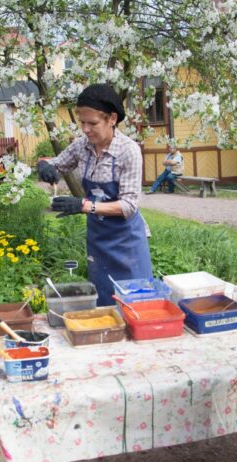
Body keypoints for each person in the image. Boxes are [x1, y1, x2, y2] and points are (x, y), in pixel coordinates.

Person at [37, 83, 153, 306]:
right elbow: (57, 165)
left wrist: (85, 206)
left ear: (112, 119)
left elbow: (128, 205)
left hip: (127, 241)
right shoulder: (83, 146)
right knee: (104, 303)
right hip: (99, 239)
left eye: (93, 123)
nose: (86, 129)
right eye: (82, 122)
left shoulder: (128, 151)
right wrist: (44, 166)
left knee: (134, 304)